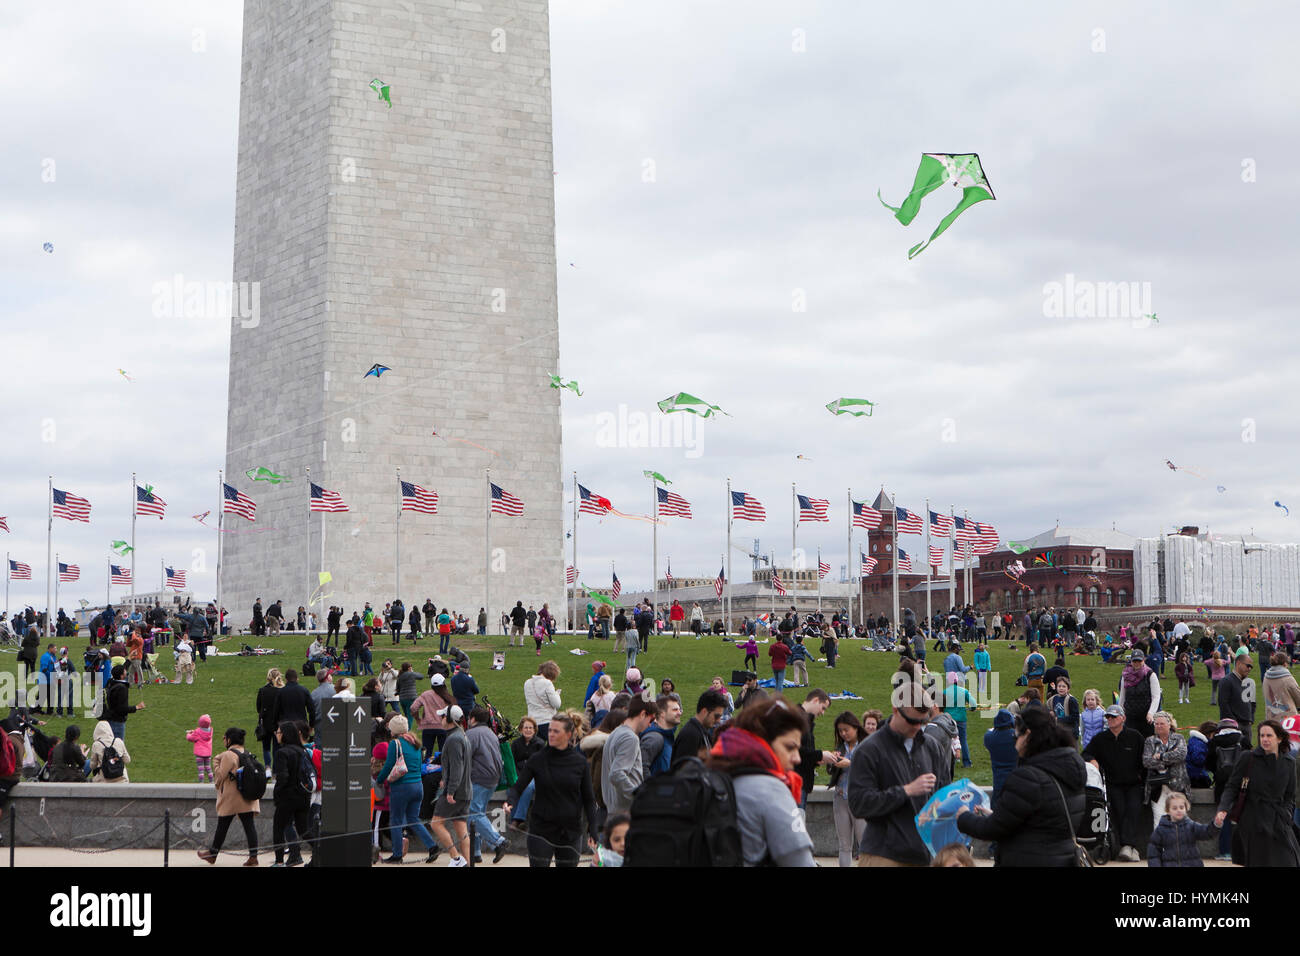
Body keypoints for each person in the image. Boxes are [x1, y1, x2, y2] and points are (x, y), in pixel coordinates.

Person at [956, 706, 1087, 866]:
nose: (1014, 739)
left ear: (1027, 735)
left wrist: (964, 817)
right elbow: (1041, 820)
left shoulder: (1028, 778)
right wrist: (998, 814)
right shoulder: (1070, 769)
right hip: (1062, 858)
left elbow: (993, 829)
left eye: (1016, 734)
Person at [847, 681, 952, 866]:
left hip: (924, 854)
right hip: (883, 855)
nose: (917, 727)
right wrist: (906, 791)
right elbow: (858, 804)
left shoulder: (931, 747)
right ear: (896, 710)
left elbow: (944, 793)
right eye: (912, 721)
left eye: (923, 721)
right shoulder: (870, 750)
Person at [706, 696, 816, 867]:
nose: (797, 758)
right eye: (789, 747)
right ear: (763, 741)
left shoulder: (714, 775)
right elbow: (800, 861)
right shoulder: (772, 789)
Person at [504, 714, 599, 867]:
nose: (551, 734)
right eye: (550, 730)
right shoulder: (538, 759)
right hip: (541, 830)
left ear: (568, 734)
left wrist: (592, 829)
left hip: (570, 832)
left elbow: (589, 799)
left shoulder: (580, 763)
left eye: (556, 731)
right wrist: (510, 801)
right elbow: (518, 787)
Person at [1214, 719, 1300, 866]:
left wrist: (1286, 813)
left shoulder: (1289, 763)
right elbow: (1232, 786)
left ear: (1279, 738)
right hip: (1253, 821)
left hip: (1278, 821)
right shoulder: (1248, 757)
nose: (1265, 739)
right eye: (1262, 736)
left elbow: (1289, 795)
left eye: (1269, 736)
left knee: (1289, 860)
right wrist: (1223, 809)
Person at [1083, 705, 1146, 862]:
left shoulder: (1135, 736)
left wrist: (1141, 778)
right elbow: (1085, 753)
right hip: (1112, 784)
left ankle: (1129, 846)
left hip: (1134, 783)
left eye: (1114, 717)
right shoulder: (1100, 738)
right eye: (1108, 717)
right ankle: (1127, 847)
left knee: (1133, 810)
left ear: (1123, 718)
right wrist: (1092, 760)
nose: (1110, 720)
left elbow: (1144, 759)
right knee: (1119, 810)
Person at [376, 715, 440, 864]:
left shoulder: (395, 744)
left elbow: (388, 766)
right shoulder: (415, 743)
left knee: (396, 821)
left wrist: (379, 780)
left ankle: (397, 854)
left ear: (394, 730)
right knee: (413, 819)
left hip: (401, 787)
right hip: (418, 786)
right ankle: (432, 846)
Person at [197, 727, 261, 866]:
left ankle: (213, 854)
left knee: (223, 825)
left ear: (229, 739)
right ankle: (253, 856)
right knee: (249, 826)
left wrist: (215, 763)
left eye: (224, 738)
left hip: (233, 798)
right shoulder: (247, 752)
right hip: (247, 796)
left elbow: (220, 777)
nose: (223, 740)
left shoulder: (228, 755)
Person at [464, 706, 509, 863]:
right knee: (478, 815)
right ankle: (476, 852)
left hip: (479, 778)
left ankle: (498, 842)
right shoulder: (491, 733)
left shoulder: (470, 734)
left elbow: (465, 758)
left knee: (473, 813)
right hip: (493, 778)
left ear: (473, 719)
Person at [601, 697, 656, 816]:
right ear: (642, 714)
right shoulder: (630, 738)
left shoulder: (615, 733)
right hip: (625, 812)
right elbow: (616, 774)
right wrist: (638, 794)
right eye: (651, 719)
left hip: (614, 810)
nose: (650, 725)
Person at [827, 711, 868, 867]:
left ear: (856, 727)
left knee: (864, 843)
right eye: (840, 731)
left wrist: (850, 763)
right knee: (844, 845)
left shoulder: (866, 745)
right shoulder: (840, 747)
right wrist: (832, 761)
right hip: (840, 798)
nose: (843, 734)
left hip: (860, 800)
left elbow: (872, 769)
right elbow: (831, 772)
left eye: (846, 730)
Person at [270, 721, 312, 866]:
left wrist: (277, 794)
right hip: (303, 796)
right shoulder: (302, 750)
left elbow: (283, 777)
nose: (276, 734)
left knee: (278, 827)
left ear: (285, 734)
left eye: (278, 732)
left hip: (288, 797)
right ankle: (322, 850)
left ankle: (279, 861)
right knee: (304, 829)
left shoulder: (282, 753)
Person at [1147, 791, 1217, 866]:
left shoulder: (1191, 825)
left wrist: (1216, 824)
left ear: (1186, 808)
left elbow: (1206, 832)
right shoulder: (1161, 829)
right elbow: (1153, 852)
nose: (1179, 810)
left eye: (1181, 807)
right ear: (1168, 810)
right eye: (1174, 808)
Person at [1142, 711, 1189, 822]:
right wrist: (1168, 762)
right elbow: (1147, 761)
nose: (1158, 726)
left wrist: (1161, 756)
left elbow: (1181, 755)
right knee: (1159, 818)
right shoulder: (1150, 741)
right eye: (1156, 724)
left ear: (1169, 724)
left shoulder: (1179, 738)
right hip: (1157, 787)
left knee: (1178, 819)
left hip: (1177, 784)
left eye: (1161, 724)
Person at [671, 689, 728, 769]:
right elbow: (681, 773)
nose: (718, 720)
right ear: (704, 711)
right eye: (716, 716)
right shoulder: (690, 735)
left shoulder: (704, 731)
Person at [1118, 649, 1160, 740]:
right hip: (1130, 716)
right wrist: (1120, 713)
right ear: (1131, 661)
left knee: (1147, 744)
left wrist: (1151, 713)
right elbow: (1122, 696)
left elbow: (1156, 697)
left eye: (1139, 661)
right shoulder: (1125, 676)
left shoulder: (1150, 675)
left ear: (1143, 660)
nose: (1137, 663)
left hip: (1146, 717)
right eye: (1134, 661)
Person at [640, 694, 682, 778]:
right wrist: (652, 789)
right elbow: (641, 767)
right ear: (662, 713)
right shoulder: (654, 738)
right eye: (675, 710)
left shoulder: (668, 736)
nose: (679, 713)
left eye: (679, 709)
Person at [1219, 652, 1256, 743]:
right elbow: (1223, 703)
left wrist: (1251, 718)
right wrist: (1234, 723)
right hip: (1233, 727)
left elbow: (1252, 703)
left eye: (1251, 667)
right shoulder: (1226, 681)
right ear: (1238, 663)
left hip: (1247, 725)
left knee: (1246, 754)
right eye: (1248, 666)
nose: (1249, 669)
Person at [103, 664, 146, 741]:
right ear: (122, 676)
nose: (126, 671)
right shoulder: (121, 688)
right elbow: (121, 708)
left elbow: (119, 670)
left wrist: (128, 660)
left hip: (111, 718)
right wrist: (136, 707)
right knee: (117, 746)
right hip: (117, 721)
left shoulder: (111, 682)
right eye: (125, 671)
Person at [984, 709, 1018, 805]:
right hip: (1016, 776)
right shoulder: (1016, 736)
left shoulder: (989, 737)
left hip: (998, 778)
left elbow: (989, 733)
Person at [524, 661, 562, 734]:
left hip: (532, 721)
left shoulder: (527, 683)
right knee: (553, 744)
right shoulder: (547, 683)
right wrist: (557, 694)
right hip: (546, 721)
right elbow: (557, 704)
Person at [255, 669, 283, 766]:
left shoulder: (263, 690)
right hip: (277, 724)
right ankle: (275, 771)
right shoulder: (281, 691)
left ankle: (267, 767)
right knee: (276, 748)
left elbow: (258, 707)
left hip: (265, 722)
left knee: (266, 747)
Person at [1263, 652, 1300, 720]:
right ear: (1285, 663)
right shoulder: (1287, 678)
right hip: (1288, 718)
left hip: (1271, 717)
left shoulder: (1266, 677)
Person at [1047, 677, 1080, 743]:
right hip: (1058, 731)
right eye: (1059, 686)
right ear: (1056, 688)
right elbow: (1048, 709)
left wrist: (1059, 720)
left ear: (1068, 689)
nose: (1061, 688)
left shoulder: (1072, 700)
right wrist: (1050, 712)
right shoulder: (1053, 699)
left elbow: (1075, 717)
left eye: (1064, 686)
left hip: (1070, 732)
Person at [186, 714, 214, 783]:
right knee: (208, 767)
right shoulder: (210, 731)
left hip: (199, 754)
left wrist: (188, 734)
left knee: (200, 769)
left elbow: (190, 738)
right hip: (208, 754)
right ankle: (212, 781)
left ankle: (201, 782)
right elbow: (202, 732)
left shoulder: (197, 731)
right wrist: (193, 731)